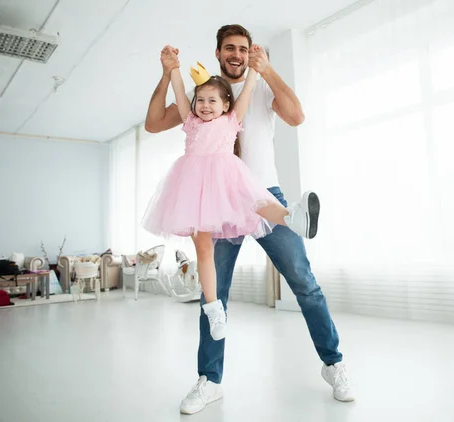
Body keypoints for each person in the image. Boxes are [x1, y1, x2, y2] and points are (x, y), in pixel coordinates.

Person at [145, 24, 354, 415]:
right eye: (229, 48)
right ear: (219, 52)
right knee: (215, 294)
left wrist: (268, 69)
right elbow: (154, 123)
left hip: (262, 196)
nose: (236, 54)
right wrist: (165, 74)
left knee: (304, 283)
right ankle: (210, 380)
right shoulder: (202, 97)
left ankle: (334, 364)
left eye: (243, 48)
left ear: (248, 53)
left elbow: (297, 116)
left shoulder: (258, 89)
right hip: (214, 204)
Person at [142, 51, 318, 341]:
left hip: (227, 176)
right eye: (201, 100)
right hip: (193, 187)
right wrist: (172, 69)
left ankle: (294, 218)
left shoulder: (233, 118)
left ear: (226, 104)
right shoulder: (190, 121)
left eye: (212, 100)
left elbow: (249, 87)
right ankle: (213, 308)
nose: (205, 105)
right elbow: (178, 89)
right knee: (203, 249)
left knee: (259, 203)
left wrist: (255, 69)